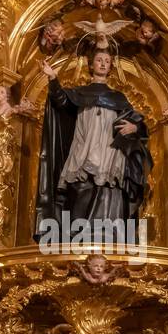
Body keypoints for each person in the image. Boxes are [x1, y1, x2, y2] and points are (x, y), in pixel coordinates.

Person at [34, 47, 152, 241]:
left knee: (109, 188)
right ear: (91, 65)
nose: (103, 63)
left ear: (111, 66)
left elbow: (138, 125)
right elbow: (61, 101)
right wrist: (53, 79)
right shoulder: (79, 93)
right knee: (82, 186)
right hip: (84, 147)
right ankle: (77, 234)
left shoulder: (119, 98)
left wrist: (134, 128)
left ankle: (109, 234)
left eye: (107, 60)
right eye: (99, 60)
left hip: (110, 150)